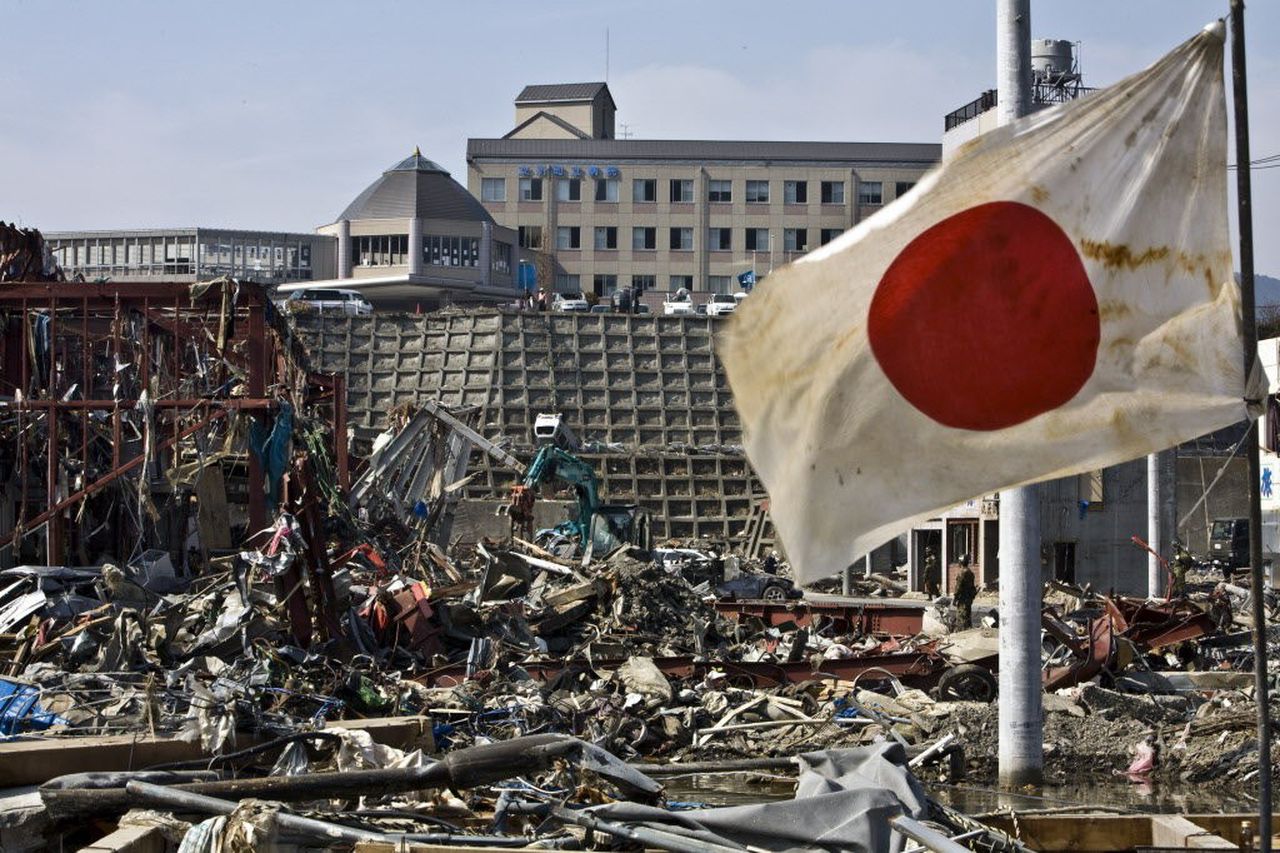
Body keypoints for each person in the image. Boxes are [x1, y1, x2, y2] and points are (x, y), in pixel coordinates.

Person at [954, 555, 977, 629]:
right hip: (969, 597)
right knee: (967, 615)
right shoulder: (970, 572)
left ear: (960, 563)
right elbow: (972, 587)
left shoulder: (962, 573)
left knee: (961, 617)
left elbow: (958, 587)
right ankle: (968, 629)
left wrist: (955, 598)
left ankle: (963, 632)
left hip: (962, 598)